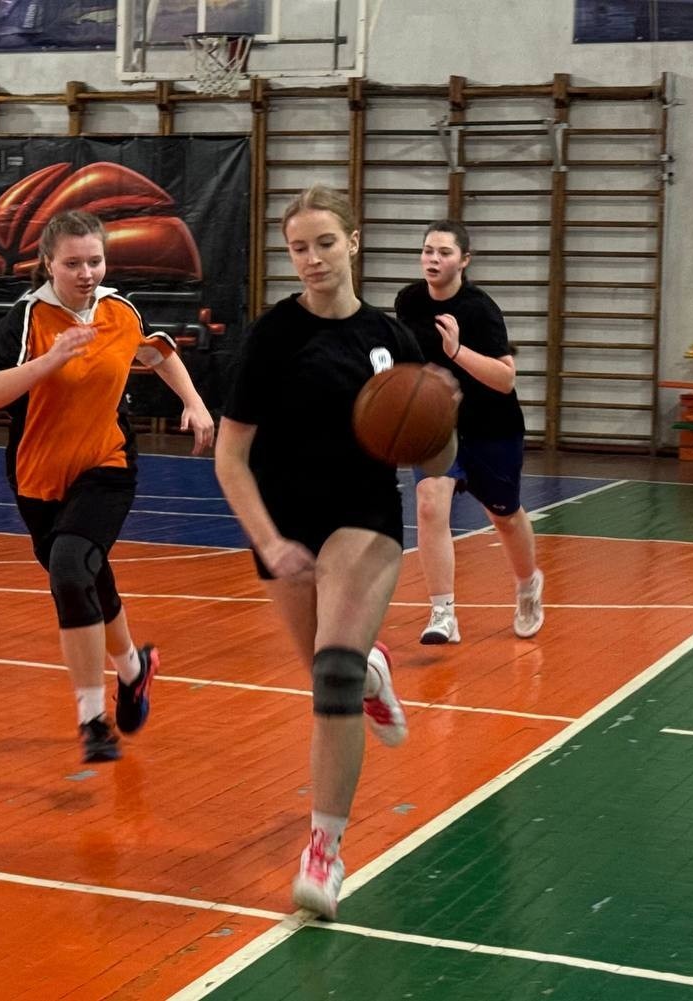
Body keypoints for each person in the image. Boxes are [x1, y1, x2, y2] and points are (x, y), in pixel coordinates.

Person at [214, 185, 457, 920]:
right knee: (330, 670)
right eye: (299, 247)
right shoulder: (271, 337)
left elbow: (436, 462)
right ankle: (374, 667)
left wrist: (440, 413)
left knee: (332, 676)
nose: (312, 258)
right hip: (283, 521)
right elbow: (231, 456)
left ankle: (324, 847)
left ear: (353, 241)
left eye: (325, 242)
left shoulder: (392, 338)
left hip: (363, 515)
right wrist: (267, 539)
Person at [0, 209, 215, 763]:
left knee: (69, 570)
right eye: (73, 264)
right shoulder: (27, 318)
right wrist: (50, 360)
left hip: (108, 463)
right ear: (48, 264)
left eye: (95, 261)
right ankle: (134, 669)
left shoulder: (119, 310)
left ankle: (91, 720)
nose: (86, 273)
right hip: (38, 474)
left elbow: (156, 353)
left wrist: (195, 402)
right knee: (86, 580)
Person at [395, 221, 543, 642]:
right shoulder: (409, 301)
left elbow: (505, 379)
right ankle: (443, 613)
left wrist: (456, 352)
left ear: (464, 261)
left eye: (444, 252)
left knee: (504, 517)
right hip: (440, 425)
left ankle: (528, 586)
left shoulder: (481, 310)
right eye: (428, 250)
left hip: (492, 426)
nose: (433, 259)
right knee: (429, 503)